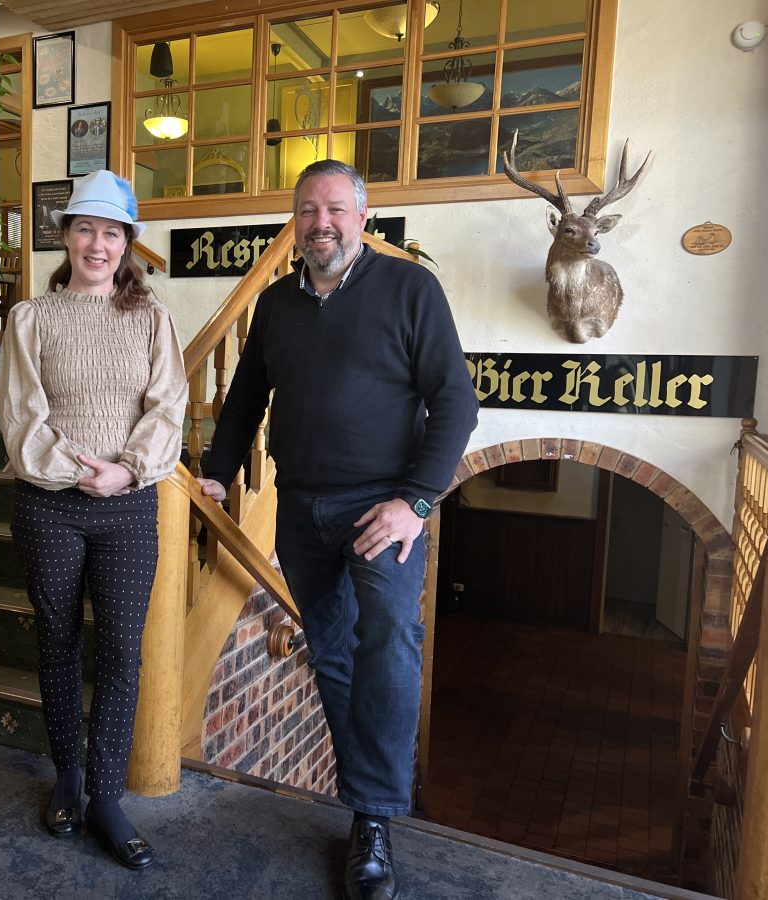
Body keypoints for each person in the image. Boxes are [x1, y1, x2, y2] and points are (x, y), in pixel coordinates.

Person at [197, 159, 478, 900]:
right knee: (333, 654)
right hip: (301, 509)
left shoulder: (409, 288)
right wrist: (218, 472)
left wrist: (414, 503)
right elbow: (245, 397)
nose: (320, 223)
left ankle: (376, 823)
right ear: (295, 222)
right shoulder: (279, 305)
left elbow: (456, 404)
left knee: (388, 645)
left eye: (335, 209)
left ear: (362, 216)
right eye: (307, 211)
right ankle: (369, 807)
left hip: (381, 511)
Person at [0, 169, 187, 871]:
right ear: (66, 236)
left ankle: (108, 796)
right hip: (51, 505)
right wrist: (80, 471)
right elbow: (20, 413)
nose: (97, 244)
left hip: (131, 508)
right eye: (85, 229)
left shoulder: (152, 318)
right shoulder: (32, 318)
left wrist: (127, 470)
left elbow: (167, 408)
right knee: (56, 643)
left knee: (120, 654)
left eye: (111, 232)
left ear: (127, 242)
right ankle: (68, 780)